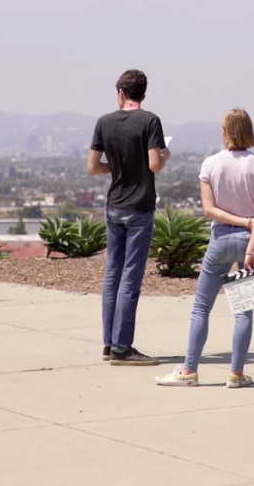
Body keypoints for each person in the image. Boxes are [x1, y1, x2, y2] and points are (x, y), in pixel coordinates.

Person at [156, 109, 254, 388]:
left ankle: (189, 371)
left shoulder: (210, 164)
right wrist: (250, 246)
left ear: (225, 132)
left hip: (220, 240)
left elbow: (209, 210)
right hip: (251, 241)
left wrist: (239, 221)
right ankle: (236, 374)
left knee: (201, 309)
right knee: (244, 312)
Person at [88, 69, 170, 366]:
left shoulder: (104, 122)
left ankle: (110, 343)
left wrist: (118, 167)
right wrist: (165, 156)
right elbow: (154, 165)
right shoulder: (150, 121)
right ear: (143, 95)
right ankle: (123, 347)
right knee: (130, 278)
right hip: (139, 206)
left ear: (120, 93)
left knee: (112, 274)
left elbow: (93, 167)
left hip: (114, 205)